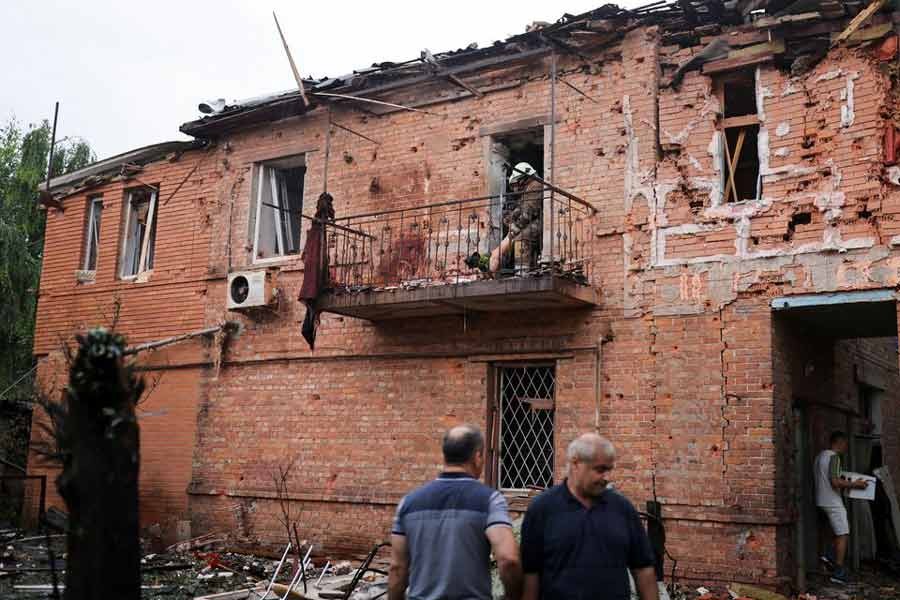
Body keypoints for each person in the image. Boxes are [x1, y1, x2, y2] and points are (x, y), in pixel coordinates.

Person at [388, 424, 523, 600]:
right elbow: (509, 560)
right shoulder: (489, 501)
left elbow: (398, 569)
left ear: (444, 456)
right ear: (477, 456)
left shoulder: (408, 503)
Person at [520, 433, 658, 600]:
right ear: (576, 463)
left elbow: (643, 568)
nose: (607, 478)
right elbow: (530, 575)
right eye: (600, 470)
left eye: (609, 470)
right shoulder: (542, 509)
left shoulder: (622, 509)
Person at [814, 430, 869, 584]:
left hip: (820, 500)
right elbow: (835, 482)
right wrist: (856, 484)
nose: (846, 447)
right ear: (840, 442)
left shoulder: (820, 456)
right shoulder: (834, 457)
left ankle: (829, 554)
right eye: (845, 444)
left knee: (836, 532)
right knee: (844, 533)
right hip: (832, 502)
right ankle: (838, 571)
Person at [489, 162, 543, 273]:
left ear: (523, 178)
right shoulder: (528, 189)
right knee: (517, 235)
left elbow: (527, 213)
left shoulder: (536, 185)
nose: (515, 188)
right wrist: (510, 216)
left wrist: (511, 234)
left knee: (521, 236)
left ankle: (521, 270)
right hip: (532, 221)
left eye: (516, 184)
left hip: (540, 222)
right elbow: (521, 208)